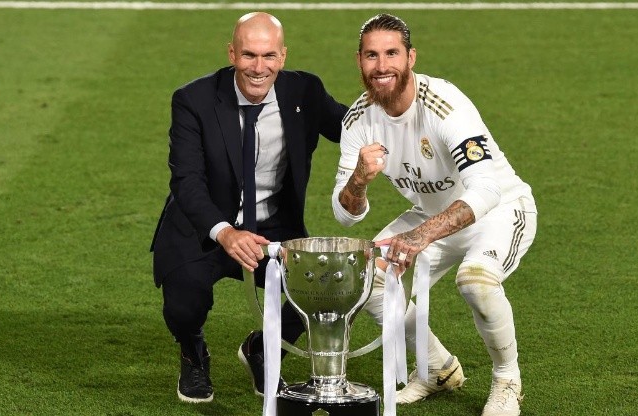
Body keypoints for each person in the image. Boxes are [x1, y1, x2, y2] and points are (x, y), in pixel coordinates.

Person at [332, 14, 537, 416]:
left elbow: (487, 188)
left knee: (475, 282)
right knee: (364, 276)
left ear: (411, 57)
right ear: (359, 61)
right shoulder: (358, 120)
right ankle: (435, 368)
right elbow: (346, 217)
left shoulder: (444, 105)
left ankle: (507, 379)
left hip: (498, 210)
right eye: (371, 56)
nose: (382, 66)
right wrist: (358, 180)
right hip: (431, 217)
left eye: (392, 53)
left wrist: (421, 235)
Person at [150, 12, 348, 403]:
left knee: (321, 291)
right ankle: (193, 353)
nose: (259, 68)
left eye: (269, 56)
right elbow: (186, 181)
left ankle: (261, 348)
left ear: (283, 55)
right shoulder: (193, 100)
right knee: (184, 304)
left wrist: (400, 117)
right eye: (249, 55)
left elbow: (352, 126)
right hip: (203, 225)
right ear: (231, 53)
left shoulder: (303, 92)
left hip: (272, 226)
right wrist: (224, 231)